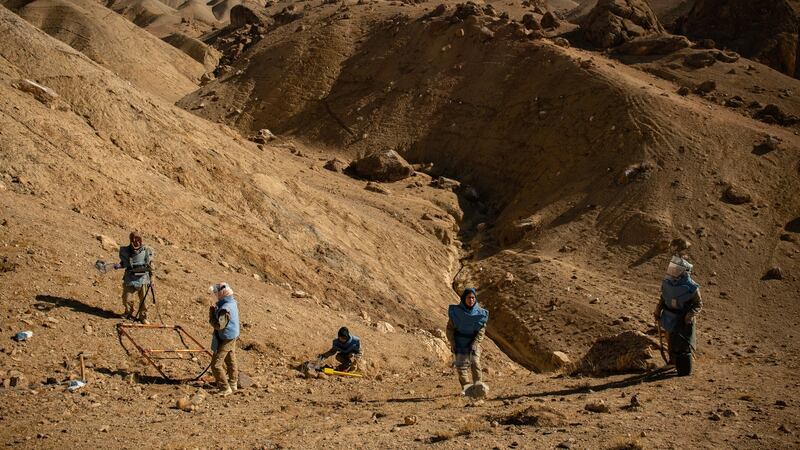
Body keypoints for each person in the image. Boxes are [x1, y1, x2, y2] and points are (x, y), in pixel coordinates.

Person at [654, 255, 703, 376]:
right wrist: (657, 310)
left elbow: (698, 304)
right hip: (669, 317)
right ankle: (672, 361)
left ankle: (685, 362)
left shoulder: (692, 287)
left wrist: (690, 315)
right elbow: (663, 299)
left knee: (684, 342)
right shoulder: (667, 283)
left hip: (684, 319)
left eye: (677, 269)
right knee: (670, 340)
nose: (674, 271)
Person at [446, 288, 489, 392]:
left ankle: (478, 389)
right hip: (459, 343)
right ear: (463, 298)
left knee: (475, 363)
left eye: (473, 298)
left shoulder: (480, 314)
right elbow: (450, 329)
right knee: (461, 368)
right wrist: (453, 342)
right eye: (469, 297)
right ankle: (467, 389)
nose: (471, 300)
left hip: (473, 343)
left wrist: (476, 343)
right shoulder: (456, 313)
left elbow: (481, 330)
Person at [113, 231, 154, 323]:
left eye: (138, 239)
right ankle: (128, 312)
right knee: (126, 298)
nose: (136, 241)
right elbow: (124, 263)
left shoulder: (147, 250)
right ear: (131, 240)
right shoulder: (126, 250)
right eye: (134, 239)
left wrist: (152, 279)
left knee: (144, 300)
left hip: (143, 279)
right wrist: (119, 265)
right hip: (130, 278)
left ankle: (143, 317)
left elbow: (151, 265)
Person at [209, 282, 240, 396]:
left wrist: (212, 314)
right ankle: (233, 383)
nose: (215, 295)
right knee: (230, 358)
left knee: (216, 365)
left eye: (216, 293)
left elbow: (219, 325)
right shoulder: (232, 302)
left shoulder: (225, 308)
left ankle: (225, 388)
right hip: (232, 335)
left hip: (226, 337)